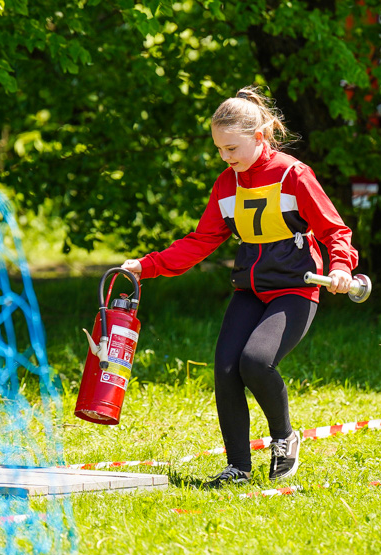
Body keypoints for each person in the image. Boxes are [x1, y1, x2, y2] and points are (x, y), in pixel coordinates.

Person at [121, 86, 359, 488]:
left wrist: (340, 266)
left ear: (259, 137)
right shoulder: (226, 185)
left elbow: (335, 230)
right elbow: (200, 241)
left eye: (232, 148)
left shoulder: (292, 174)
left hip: (294, 289)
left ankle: (284, 438)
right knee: (227, 368)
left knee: (255, 361)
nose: (225, 158)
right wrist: (147, 266)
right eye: (219, 150)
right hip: (249, 289)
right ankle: (238, 468)